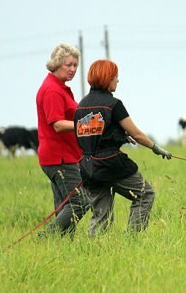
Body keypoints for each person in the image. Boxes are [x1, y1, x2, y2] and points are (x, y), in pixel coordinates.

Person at [74, 59, 171, 235]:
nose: (117, 80)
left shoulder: (81, 106)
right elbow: (137, 134)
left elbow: (92, 134)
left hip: (88, 167)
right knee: (145, 194)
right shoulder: (114, 104)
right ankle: (132, 239)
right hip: (112, 164)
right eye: (115, 77)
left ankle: (93, 252)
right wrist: (155, 147)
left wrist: (118, 135)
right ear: (107, 78)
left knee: (101, 215)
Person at [35, 43, 90, 237]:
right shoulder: (52, 90)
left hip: (62, 156)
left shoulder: (60, 87)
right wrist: (86, 127)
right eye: (69, 65)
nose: (73, 69)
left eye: (76, 65)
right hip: (59, 158)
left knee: (64, 205)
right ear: (57, 63)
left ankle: (63, 247)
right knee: (81, 202)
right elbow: (57, 124)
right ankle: (45, 237)